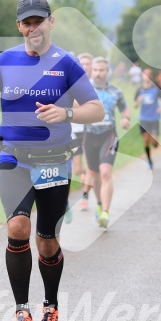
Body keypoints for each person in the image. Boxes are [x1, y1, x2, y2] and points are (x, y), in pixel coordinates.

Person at [0, 0, 105, 321]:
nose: (33, 28)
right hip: (13, 158)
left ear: (50, 22)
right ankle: (21, 312)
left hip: (55, 160)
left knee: (46, 242)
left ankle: (51, 308)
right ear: (19, 27)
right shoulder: (5, 61)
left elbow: (96, 110)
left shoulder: (66, 63)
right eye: (26, 22)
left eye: (38, 21)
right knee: (17, 227)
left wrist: (66, 114)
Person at [84, 56, 131, 228]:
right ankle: (98, 202)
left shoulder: (116, 92)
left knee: (105, 172)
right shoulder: (84, 89)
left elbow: (125, 108)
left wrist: (125, 118)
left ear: (107, 71)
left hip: (109, 135)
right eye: (95, 70)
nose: (97, 73)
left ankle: (105, 211)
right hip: (89, 137)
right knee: (95, 176)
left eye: (101, 70)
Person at [71, 52, 94, 212]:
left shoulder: (96, 84)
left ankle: (85, 196)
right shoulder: (72, 83)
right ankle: (94, 173)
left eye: (87, 64)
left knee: (91, 165)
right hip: (74, 130)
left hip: (91, 130)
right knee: (77, 169)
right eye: (82, 63)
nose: (85, 66)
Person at [134, 68, 161, 169]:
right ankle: (150, 161)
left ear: (151, 76)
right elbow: (135, 105)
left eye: (149, 74)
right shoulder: (139, 89)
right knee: (146, 141)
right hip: (144, 119)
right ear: (142, 75)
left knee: (154, 143)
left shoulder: (155, 88)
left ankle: (154, 140)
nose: (147, 76)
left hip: (154, 118)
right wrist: (138, 101)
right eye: (145, 74)